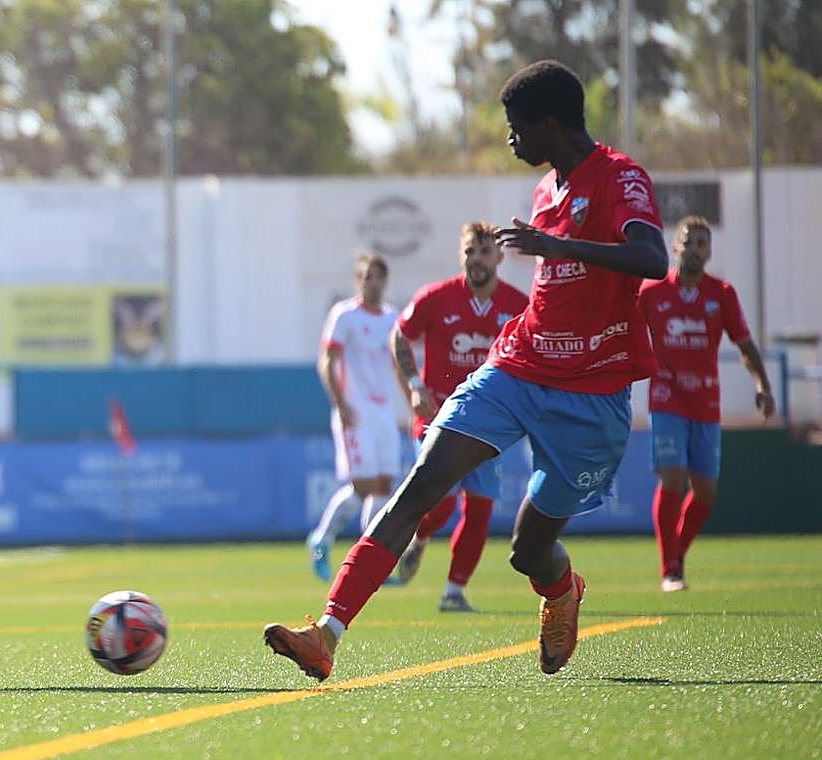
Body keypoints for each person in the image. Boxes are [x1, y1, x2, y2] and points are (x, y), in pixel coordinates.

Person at [264, 59, 668, 681]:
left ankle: (562, 590)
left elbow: (652, 258)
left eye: (515, 125)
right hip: (518, 368)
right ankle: (327, 633)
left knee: (529, 551)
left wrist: (558, 246)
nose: (510, 138)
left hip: (592, 394)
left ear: (551, 123)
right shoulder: (546, 189)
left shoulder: (620, 177)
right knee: (422, 482)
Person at [391, 221, 529, 611]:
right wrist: (414, 385)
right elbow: (400, 336)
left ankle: (454, 592)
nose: (476, 259)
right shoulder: (436, 298)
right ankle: (418, 538)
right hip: (439, 417)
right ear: (460, 255)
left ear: (499, 257)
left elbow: (532, 355)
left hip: (489, 424)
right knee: (442, 503)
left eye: (484, 251)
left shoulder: (518, 306)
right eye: (470, 251)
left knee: (480, 508)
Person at [638, 216, 774, 592]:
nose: (694, 249)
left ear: (709, 252)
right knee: (673, 477)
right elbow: (625, 329)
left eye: (702, 243)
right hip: (666, 398)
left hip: (706, 401)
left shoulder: (722, 294)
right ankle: (670, 569)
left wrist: (762, 385)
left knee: (706, 493)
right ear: (675, 247)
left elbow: (744, 345)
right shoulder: (651, 292)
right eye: (688, 242)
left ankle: (677, 554)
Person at [306, 253, 401, 581]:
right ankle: (322, 538)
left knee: (385, 485)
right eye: (365, 277)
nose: (371, 283)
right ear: (357, 281)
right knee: (362, 486)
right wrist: (341, 404)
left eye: (377, 276)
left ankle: (368, 560)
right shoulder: (344, 315)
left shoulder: (392, 318)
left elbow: (399, 365)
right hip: (356, 411)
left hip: (384, 412)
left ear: (385, 281)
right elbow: (327, 362)